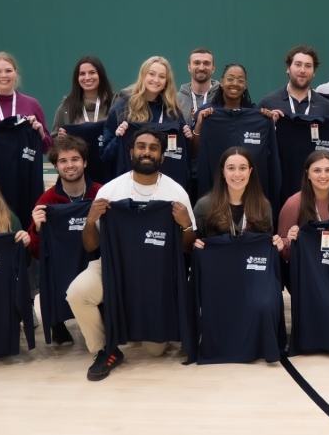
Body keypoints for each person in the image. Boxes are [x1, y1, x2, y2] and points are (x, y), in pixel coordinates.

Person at [69, 128, 197, 381]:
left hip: (156, 273)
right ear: (131, 152)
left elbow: (189, 247)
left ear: (162, 156)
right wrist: (91, 219)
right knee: (77, 293)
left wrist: (186, 225)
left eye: (153, 148)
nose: (146, 152)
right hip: (113, 267)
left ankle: (134, 323)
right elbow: (89, 246)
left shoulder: (176, 192)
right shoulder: (110, 190)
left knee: (156, 350)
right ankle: (105, 348)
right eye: (141, 146)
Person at [28, 135, 104, 346]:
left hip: (94, 259)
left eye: (75, 159)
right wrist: (38, 228)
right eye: (63, 161)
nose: (69, 165)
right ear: (55, 166)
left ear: (85, 162)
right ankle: (57, 322)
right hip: (64, 263)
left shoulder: (101, 192)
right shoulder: (46, 201)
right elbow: (36, 253)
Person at [100, 56, 192, 165]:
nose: (156, 80)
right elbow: (105, 155)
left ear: (167, 82)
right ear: (143, 75)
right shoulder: (122, 107)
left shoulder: (172, 112)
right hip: (131, 178)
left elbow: (181, 154)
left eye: (162, 77)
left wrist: (186, 137)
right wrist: (118, 138)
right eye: (151, 74)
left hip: (163, 178)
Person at [192, 147, 282, 245]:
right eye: (231, 168)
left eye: (243, 168)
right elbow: (193, 245)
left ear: (250, 171)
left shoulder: (263, 206)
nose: (237, 174)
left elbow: (267, 248)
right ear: (223, 172)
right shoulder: (204, 206)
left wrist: (275, 244)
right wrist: (194, 244)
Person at [278, 151, 329, 260]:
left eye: (328, 170)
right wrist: (290, 242)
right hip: (307, 272)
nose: (323, 175)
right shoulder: (294, 204)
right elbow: (282, 252)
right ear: (308, 174)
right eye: (317, 170)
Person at [258, 45, 329, 131]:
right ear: (288, 68)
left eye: (308, 66)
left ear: (314, 72)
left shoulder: (326, 106)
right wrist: (269, 125)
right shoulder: (268, 103)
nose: (302, 70)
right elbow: (258, 140)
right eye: (298, 64)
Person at [51, 56, 117, 133]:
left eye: (92, 72)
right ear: (77, 78)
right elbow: (53, 139)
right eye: (82, 74)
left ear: (100, 75)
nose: (87, 77)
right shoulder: (66, 108)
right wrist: (61, 139)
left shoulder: (116, 103)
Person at [177, 48, 219, 125]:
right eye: (196, 63)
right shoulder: (176, 99)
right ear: (189, 67)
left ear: (213, 68)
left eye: (206, 63)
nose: (201, 68)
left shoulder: (223, 97)